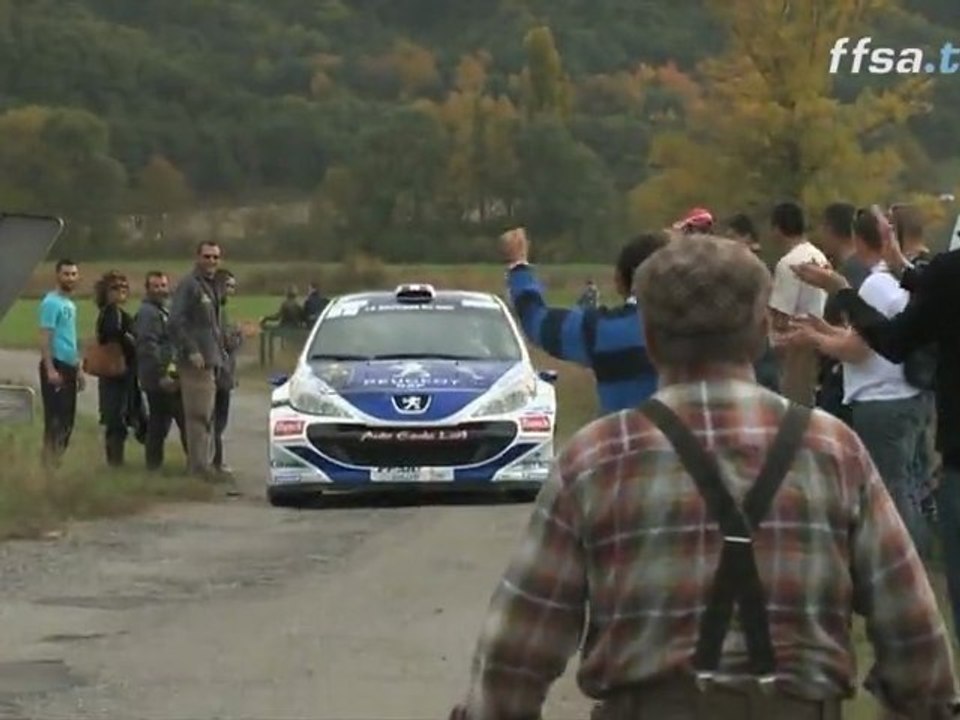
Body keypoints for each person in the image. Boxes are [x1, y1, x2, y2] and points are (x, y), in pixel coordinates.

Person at [449, 233, 959, 720]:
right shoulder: (833, 450)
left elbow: (516, 655)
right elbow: (915, 639)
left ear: (648, 336)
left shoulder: (595, 459)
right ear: (762, 329)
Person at [793, 207, 960, 645]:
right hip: (911, 402)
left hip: (897, 410)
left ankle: (908, 568)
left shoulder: (907, 280)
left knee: (896, 489)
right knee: (910, 484)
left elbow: (887, 343)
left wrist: (840, 293)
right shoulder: (927, 277)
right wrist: (902, 266)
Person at [785, 209, 930, 557]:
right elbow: (867, 337)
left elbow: (858, 351)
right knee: (909, 484)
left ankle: (902, 558)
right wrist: (823, 329)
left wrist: (814, 340)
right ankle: (917, 554)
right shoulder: (894, 281)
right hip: (906, 396)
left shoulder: (875, 285)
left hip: (881, 401)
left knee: (892, 491)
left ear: (858, 238)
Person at [502, 227, 668, 415]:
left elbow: (536, 321)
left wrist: (518, 265)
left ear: (620, 281)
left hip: (625, 440)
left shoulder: (602, 331)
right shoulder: (705, 326)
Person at [169, 240, 226, 480]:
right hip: (195, 362)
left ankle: (207, 465)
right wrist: (191, 349)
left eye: (215, 257)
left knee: (209, 416)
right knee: (197, 416)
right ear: (197, 257)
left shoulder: (211, 286)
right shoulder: (189, 285)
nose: (211, 261)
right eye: (207, 256)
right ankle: (197, 468)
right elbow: (175, 320)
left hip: (212, 360)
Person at [767, 201, 829, 406]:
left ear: (777, 228)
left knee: (793, 405)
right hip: (819, 336)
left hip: (795, 344)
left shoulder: (789, 263)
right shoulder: (819, 256)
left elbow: (781, 317)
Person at [814, 202, 871, 425]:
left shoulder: (851, 273)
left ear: (829, 229)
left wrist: (816, 335)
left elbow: (858, 331)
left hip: (845, 383)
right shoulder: (855, 269)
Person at [134, 270, 187, 471]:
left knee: (160, 422)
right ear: (147, 289)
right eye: (155, 286)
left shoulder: (161, 310)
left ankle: (153, 466)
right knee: (175, 420)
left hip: (163, 374)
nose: (160, 290)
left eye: (163, 285)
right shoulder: (148, 313)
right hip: (159, 377)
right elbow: (148, 346)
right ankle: (193, 466)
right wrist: (163, 374)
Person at [93, 271, 145, 467]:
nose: (121, 291)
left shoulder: (117, 313)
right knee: (117, 420)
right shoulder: (111, 313)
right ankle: (115, 463)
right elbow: (114, 335)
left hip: (123, 372)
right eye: (115, 288)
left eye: (124, 288)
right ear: (105, 292)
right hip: (115, 373)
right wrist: (132, 340)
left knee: (126, 417)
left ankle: (118, 462)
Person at [37, 259, 84, 466]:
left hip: (69, 364)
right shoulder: (51, 303)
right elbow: (45, 336)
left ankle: (57, 460)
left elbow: (70, 338)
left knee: (68, 418)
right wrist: (50, 369)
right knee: (56, 418)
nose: (70, 278)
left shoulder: (69, 304)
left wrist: (78, 368)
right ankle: (48, 462)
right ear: (58, 275)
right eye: (66, 274)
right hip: (56, 365)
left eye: (74, 274)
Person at [725, 213, 778, 391]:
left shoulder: (750, 265)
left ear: (746, 236)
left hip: (755, 340)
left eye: (732, 237)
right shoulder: (763, 263)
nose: (729, 243)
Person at [213, 268, 241, 475]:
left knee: (217, 421)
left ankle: (216, 461)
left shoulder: (220, 309)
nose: (232, 290)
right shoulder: (218, 311)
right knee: (217, 421)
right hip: (220, 373)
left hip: (224, 372)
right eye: (229, 286)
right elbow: (226, 341)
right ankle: (217, 462)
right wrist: (239, 335)